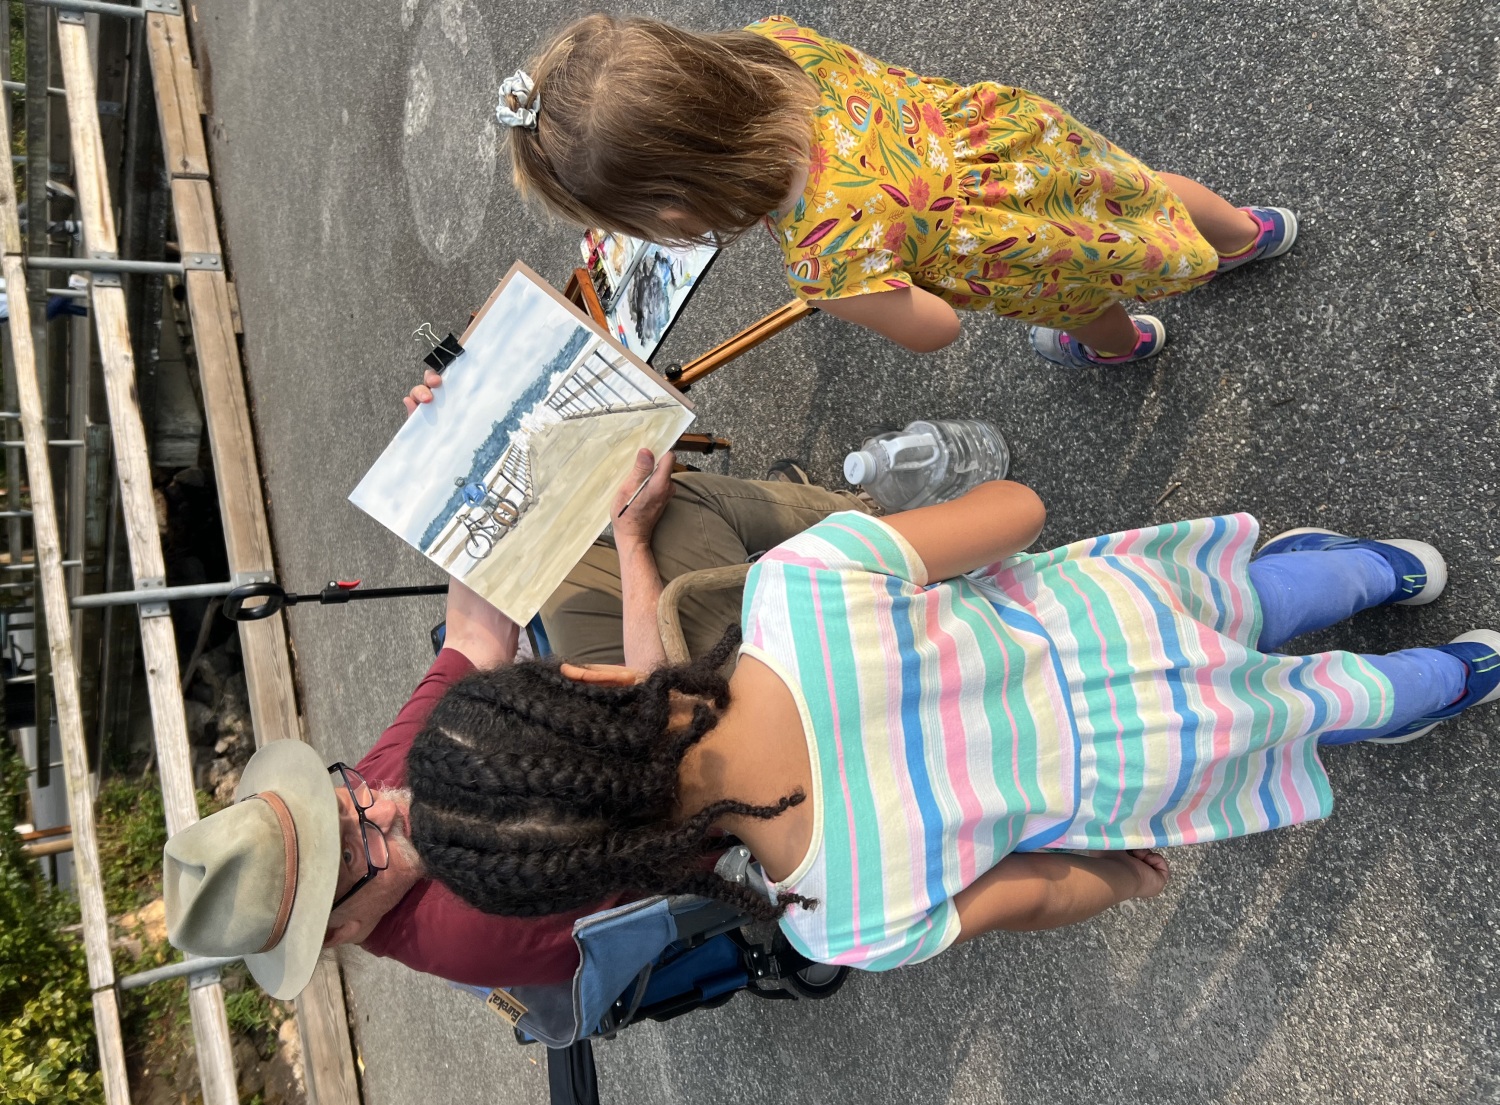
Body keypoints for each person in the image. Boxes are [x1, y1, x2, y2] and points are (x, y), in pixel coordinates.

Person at [404, 482, 1500, 971]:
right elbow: (1016, 511)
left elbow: (1039, 893)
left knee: (1300, 710)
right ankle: (1386, 571)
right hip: (1107, 618)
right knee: (1252, 599)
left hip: (1147, 763)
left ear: (620, 868)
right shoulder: (799, 586)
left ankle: (1445, 680)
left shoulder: (834, 924)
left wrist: (1124, 883)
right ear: (590, 678)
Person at [163, 448, 875, 994]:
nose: (383, 804)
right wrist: (631, 548)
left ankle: (822, 532)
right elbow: (670, 752)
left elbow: (473, 639)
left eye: (339, 800)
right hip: (706, 779)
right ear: (341, 928)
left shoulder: (376, 809)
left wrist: (466, 464)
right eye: (352, 851)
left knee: (572, 539)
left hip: (635, 736)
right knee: (673, 516)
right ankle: (861, 533)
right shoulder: (472, 927)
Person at [495, 14, 1297, 367]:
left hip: (1013, 248)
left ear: (673, 210)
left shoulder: (826, 261)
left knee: (1080, 295)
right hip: (1021, 143)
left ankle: (1122, 344)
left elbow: (937, 329)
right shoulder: (780, 44)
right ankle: (1245, 234)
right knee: (1138, 189)